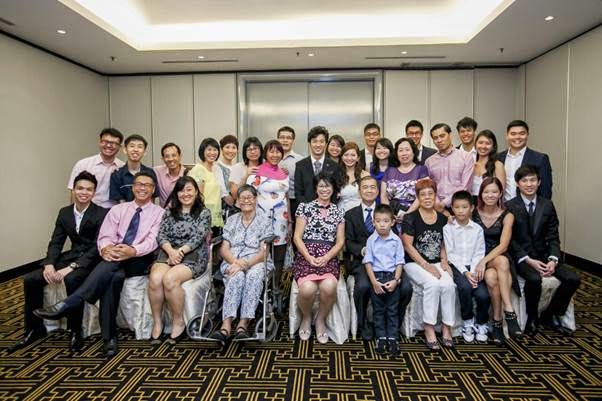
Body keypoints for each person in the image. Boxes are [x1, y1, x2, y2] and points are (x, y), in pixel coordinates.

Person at [35, 172, 165, 357]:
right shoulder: (118, 210)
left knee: (109, 269)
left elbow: (153, 241)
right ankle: (109, 338)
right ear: (132, 187)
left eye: (147, 185)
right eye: (138, 184)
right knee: (113, 277)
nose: (142, 188)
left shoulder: (160, 213)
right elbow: (105, 236)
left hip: (139, 259)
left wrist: (132, 250)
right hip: (114, 257)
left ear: (153, 189)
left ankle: (71, 303)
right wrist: (105, 249)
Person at [9, 171, 108, 352]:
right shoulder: (64, 213)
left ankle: (75, 330)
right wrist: (49, 264)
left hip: (90, 259)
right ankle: (34, 329)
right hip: (71, 255)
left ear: (94, 192)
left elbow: (97, 246)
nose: (84, 192)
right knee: (31, 279)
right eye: (80, 188)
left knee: (72, 279)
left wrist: (71, 267)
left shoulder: (102, 213)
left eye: (89, 189)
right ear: (73, 190)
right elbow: (56, 242)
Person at [506, 165, 580, 336]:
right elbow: (510, 240)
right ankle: (532, 317)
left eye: (533, 180)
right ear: (517, 183)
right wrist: (527, 259)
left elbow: (553, 235)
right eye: (524, 180)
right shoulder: (509, 206)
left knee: (573, 279)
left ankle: (551, 313)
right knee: (534, 279)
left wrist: (553, 259)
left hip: (545, 254)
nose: (529, 184)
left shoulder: (547, 205)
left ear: (539, 182)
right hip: (523, 257)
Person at [345, 176, 414, 341]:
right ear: (359, 191)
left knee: (406, 288)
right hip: (364, 262)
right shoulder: (350, 214)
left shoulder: (387, 213)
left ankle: (394, 323)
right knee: (362, 287)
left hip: (389, 263)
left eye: (372, 187)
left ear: (377, 191)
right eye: (365, 187)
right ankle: (364, 323)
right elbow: (348, 242)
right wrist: (364, 250)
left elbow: (395, 239)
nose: (369, 190)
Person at [148, 176, 211, 344]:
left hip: (193, 255)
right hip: (169, 252)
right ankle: (157, 322)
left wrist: (179, 252)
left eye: (189, 190)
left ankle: (178, 321)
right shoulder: (169, 211)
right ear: (176, 193)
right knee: (155, 279)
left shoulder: (204, 213)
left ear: (196, 192)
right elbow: (161, 235)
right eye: (181, 190)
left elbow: (198, 238)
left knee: (170, 279)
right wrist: (170, 251)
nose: (185, 194)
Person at [210, 185, 273, 342]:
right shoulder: (231, 220)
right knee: (236, 276)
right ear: (237, 201)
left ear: (256, 199)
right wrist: (236, 262)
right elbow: (224, 249)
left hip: (257, 261)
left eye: (249, 197)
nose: (246, 201)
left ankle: (243, 324)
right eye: (242, 198)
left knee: (253, 276)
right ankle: (226, 325)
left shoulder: (264, 220)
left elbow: (264, 252)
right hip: (232, 260)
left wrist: (246, 264)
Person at [401, 178, 456, 351]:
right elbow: (407, 246)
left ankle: (447, 326)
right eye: (422, 195)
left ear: (435, 196)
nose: (427, 198)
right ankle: (429, 327)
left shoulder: (443, 219)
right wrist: (427, 266)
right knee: (432, 284)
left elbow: (443, 244)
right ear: (418, 198)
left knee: (449, 285)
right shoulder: (410, 218)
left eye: (430, 194)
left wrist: (444, 262)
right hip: (414, 263)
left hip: (437, 262)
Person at [293, 173, 345, 344]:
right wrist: (308, 257)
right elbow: (297, 237)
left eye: (328, 186)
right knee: (307, 289)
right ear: (315, 188)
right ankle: (306, 317)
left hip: (328, 256)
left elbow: (340, 241)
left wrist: (327, 257)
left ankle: (321, 319)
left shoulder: (339, 211)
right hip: (306, 255)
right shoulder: (304, 208)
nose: (324, 189)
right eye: (321, 186)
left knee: (329, 287)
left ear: (333, 189)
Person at [473, 177, 522, 344]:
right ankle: (509, 314)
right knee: (496, 270)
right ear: (481, 194)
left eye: (494, 192)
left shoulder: (507, 215)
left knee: (495, 271)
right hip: (478, 256)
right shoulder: (473, 213)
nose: (490, 195)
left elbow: (503, 245)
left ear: (501, 193)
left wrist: (484, 261)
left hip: (497, 255)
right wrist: (480, 261)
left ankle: (498, 320)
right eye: (486, 192)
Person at [443, 191, 489, 344]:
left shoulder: (477, 229)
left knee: (483, 295)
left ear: (472, 208)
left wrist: (474, 271)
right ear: (452, 208)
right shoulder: (448, 228)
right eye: (457, 207)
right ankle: (468, 322)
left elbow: (479, 252)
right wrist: (465, 272)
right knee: (465, 287)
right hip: (458, 267)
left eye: (464, 207)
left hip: (474, 266)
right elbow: (451, 254)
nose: (461, 211)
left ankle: (482, 323)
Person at [362, 204, 405, 355]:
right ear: (373, 222)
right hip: (377, 277)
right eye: (378, 221)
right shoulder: (371, 240)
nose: (382, 224)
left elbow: (400, 262)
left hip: (392, 276)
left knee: (392, 309)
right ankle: (380, 337)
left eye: (386, 221)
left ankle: (393, 338)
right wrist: (374, 282)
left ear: (392, 222)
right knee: (378, 309)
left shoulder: (396, 241)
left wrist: (396, 280)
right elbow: (368, 262)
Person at [247, 140, 290, 276]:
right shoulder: (256, 172)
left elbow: (286, 197)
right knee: (261, 253)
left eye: (278, 152)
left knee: (279, 255)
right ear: (265, 153)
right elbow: (248, 197)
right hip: (261, 219)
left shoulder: (285, 173)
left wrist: (290, 221)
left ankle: (276, 286)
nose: (275, 155)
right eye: (271, 151)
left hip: (281, 221)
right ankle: (262, 285)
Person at [68, 128, 125, 208]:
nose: (109, 145)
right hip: (88, 210)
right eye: (105, 142)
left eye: (113, 143)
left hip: (113, 211)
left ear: (120, 147)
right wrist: (74, 213)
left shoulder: (123, 167)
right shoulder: (83, 164)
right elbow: (74, 191)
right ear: (99, 142)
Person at [425, 123, 474, 214]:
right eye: (435, 138)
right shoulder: (429, 161)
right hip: (436, 208)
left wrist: (444, 203)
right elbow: (429, 186)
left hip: (460, 206)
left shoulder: (466, 157)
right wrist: (437, 204)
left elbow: (465, 186)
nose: (439, 140)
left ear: (450, 135)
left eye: (442, 136)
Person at [381, 138, 429, 228]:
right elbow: (383, 196)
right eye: (400, 150)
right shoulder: (389, 170)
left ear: (414, 152)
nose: (404, 153)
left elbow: (423, 195)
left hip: (415, 215)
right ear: (396, 153)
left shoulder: (422, 170)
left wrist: (407, 214)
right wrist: (390, 214)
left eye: (407, 149)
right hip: (392, 216)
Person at [499, 120, 553, 201]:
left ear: (527, 135)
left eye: (522, 133)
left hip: (528, 208)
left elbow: (545, 191)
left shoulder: (540, 159)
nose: (517, 137)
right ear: (507, 136)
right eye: (513, 134)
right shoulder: (498, 158)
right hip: (502, 206)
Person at [294, 126, 343, 204]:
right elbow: (298, 193)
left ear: (326, 144)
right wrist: (308, 209)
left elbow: (336, 191)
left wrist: (327, 208)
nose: (318, 145)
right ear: (309, 143)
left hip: (328, 210)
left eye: (321, 141)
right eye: (314, 141)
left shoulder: (334, 166)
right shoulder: (300, 165)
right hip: (306, 209)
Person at [188, 138, 227, 232]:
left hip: (215, 216)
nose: (212, 153)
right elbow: (198, 197)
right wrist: (204, 221)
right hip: (203, 218)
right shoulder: (199, 169)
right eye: (209, 150)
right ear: (203, 151)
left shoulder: (215, 169)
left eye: (215, 150)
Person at [110, 134, 159, 203]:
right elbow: (119, 203)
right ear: (125, 150)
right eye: (132, 146)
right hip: (124, 209)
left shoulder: (150, 172)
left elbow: (152, 198)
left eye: (140, 147)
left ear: (144, 152)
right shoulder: (117, 174)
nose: (135, 150)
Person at [277, 126, 303, 218]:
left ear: (293, 141)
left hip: (294, 201)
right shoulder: (270, 158)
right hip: (275, 200)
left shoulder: (300, 160)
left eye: (288, 138)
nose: (285, 140)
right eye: (282, 137)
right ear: (278, 139)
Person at [472, 130, 506, 199]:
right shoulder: (471, 165)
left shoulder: (497, 165)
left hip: (490, 203)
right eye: (480, 143)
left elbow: (501, 191)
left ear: (493, 147)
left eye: (488, 143)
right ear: (475, 144)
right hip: (471, 203)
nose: (483, 146)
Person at [337, 142, 369, 213]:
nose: (349, 158)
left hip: (360, 212)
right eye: (346, 155)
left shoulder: (365, 175)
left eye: (353, 155)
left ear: (358, 158)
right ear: (342, 157)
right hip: (341, 212)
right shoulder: (337, 174)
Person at [154, 142, 186, 207]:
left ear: (180, 156)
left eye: (174, 155)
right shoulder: (157, 171)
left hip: (183, 211)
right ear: (163, 159)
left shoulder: (189, 174)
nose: (171, 159)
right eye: (167, 156)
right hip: (164, 212)